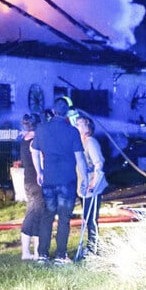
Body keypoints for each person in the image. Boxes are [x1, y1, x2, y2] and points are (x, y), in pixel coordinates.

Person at [31, 96, 87, 264]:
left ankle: (42, 254)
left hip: (48, 179)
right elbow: (80, 158)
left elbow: (34, 151)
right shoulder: (72, 132)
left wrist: (39, 172)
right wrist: (84, 179)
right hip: (67, 180)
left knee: (47, 216)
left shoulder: (41, 129)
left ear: (53, 111)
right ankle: (60, 255)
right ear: (68, 113)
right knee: (64, 218)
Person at [75, 115, 107, 259]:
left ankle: (94, 248)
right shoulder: (79, 143)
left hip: (92, 186)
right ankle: (89, 247)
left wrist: (94, 183)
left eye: (80, 124)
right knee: (86, 218)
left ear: (87, 127)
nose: (77, 126)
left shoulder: (90, 142)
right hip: (83, 186)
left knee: (91, 218)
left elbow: (98, 163)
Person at [18, 112, 45, 260]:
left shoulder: (24, 139)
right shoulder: (36, 140)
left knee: (31, 213)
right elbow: (40, 158)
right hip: (37, 181)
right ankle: (35, 252)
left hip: (28, 180)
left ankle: (27, 252)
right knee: (38, 215)